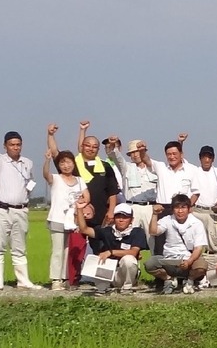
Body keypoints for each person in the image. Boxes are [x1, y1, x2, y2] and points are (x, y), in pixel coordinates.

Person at [0, 124, 41, 290]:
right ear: (5, 146)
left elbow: (30, 182)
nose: (15, 147)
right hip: (1, 209)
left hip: (21, 209)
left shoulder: (28, 162)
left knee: (19, 247)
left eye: (18, 144)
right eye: (12, 144)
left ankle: (23, 280)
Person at [55, 121, 120, 228]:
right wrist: (82, 130)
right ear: (82, 147)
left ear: (98, 149)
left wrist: (111, 211)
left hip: (100, 215)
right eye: (88, 146)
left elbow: (112, 192)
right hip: (76, 215)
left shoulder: (105, 166)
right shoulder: (74, 165)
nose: (91, 149)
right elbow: (55, 153)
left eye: (94, 147)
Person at [42, 148, 89, 290]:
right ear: (59, 165)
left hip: (74, 221)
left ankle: (67, 278)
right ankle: (56, 279)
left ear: (74, 164)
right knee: (57, 250)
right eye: (62, 163)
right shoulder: (55, 178)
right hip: (57, 218)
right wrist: (47, 160)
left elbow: (87, 196)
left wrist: (81, 204)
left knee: (69, 250)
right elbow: (46, 175)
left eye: (68, 162)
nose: (66, 166)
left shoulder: (80, 180)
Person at [75, 203, 146, 295]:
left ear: (131, 220)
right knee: (99, 257)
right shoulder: (107, 231)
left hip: (125, 273)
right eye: (118, 217)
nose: (121, 220)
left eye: (125, 217)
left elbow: (133, 252)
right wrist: (79, 209)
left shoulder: (137, 232)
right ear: (114, 218)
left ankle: (127, 288)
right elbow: (84, 230)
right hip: (110, 273)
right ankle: (102, 288)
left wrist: (110, 252)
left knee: (128, 259)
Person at [145, 194, 208, 294]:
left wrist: (189, 261)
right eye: (177, 207)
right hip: (169, 258)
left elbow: (198, 248)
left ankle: (190, 280)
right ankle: (168, 279)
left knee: (201, 266)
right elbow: (153, 232)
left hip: (188, 259)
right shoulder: (167, 220)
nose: (180, 211)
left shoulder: (197, 223)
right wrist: (154, 215)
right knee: (150, 264)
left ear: (189, 209)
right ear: (172, 209)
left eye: (183, 207)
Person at [106, 137, 159, 243]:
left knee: (152, 238)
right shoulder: (126, 167)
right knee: (128, 237)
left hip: (150, 207)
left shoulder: (155, 167)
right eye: (132, 153)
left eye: (137, 152)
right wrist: (113, 145)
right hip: (132, 207)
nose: (135, 155)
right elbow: (116, 157)